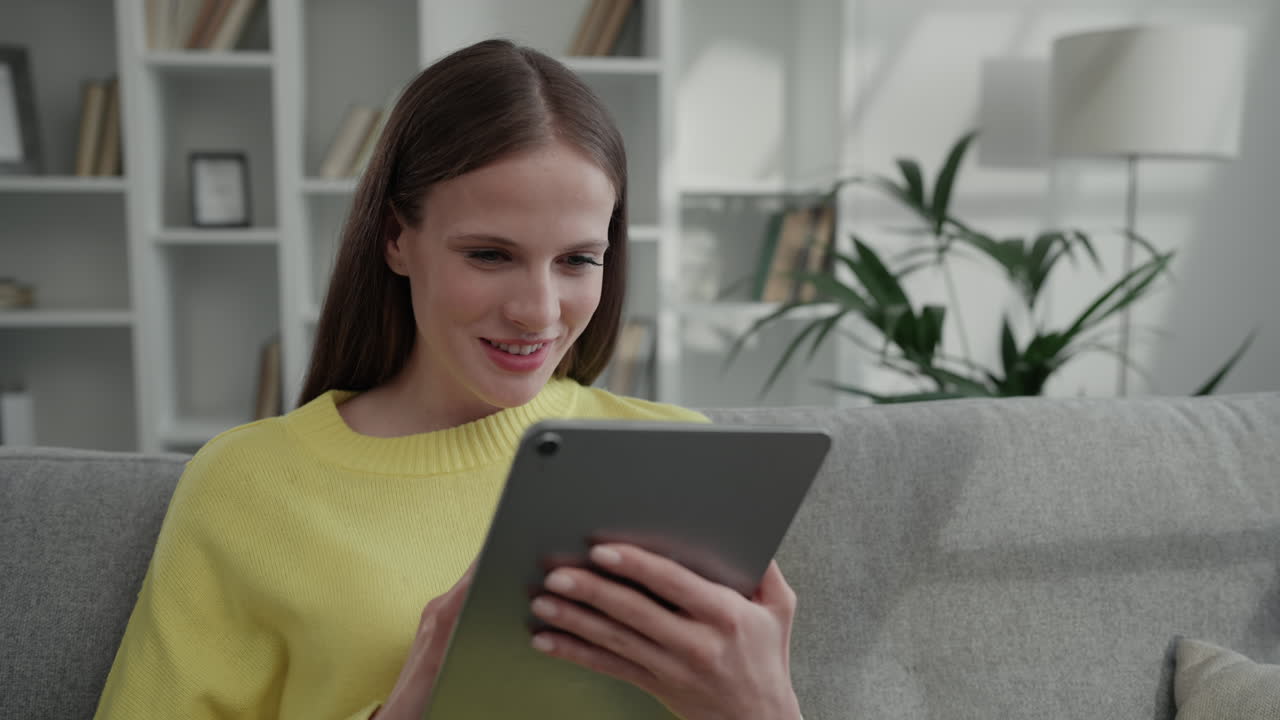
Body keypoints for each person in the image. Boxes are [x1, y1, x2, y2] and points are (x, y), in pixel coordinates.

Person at [94, 39, 803, 720]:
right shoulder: (247, 484)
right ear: (397, 239)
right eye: (491, 254)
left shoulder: (680, 456)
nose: (538, 311)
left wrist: (762, 709)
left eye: (578, 260)